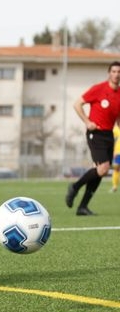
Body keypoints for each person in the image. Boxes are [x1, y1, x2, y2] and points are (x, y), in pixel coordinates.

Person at [66, 61, 120, 215]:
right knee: (103, 168)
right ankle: (74, 187)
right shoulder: (99, 89)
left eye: (119, 72)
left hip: (109, 134)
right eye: (114, 71)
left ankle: (82, 207)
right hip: (95, 133)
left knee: (100, 171)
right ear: (109, 73)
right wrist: (87, 121)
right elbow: (77, 104)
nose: (117, 75)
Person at [111, 125, 120, 193]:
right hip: (118, 153)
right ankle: (114, 186)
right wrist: (113, 151)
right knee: (116, 169)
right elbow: (111, 140)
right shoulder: (116, 129)